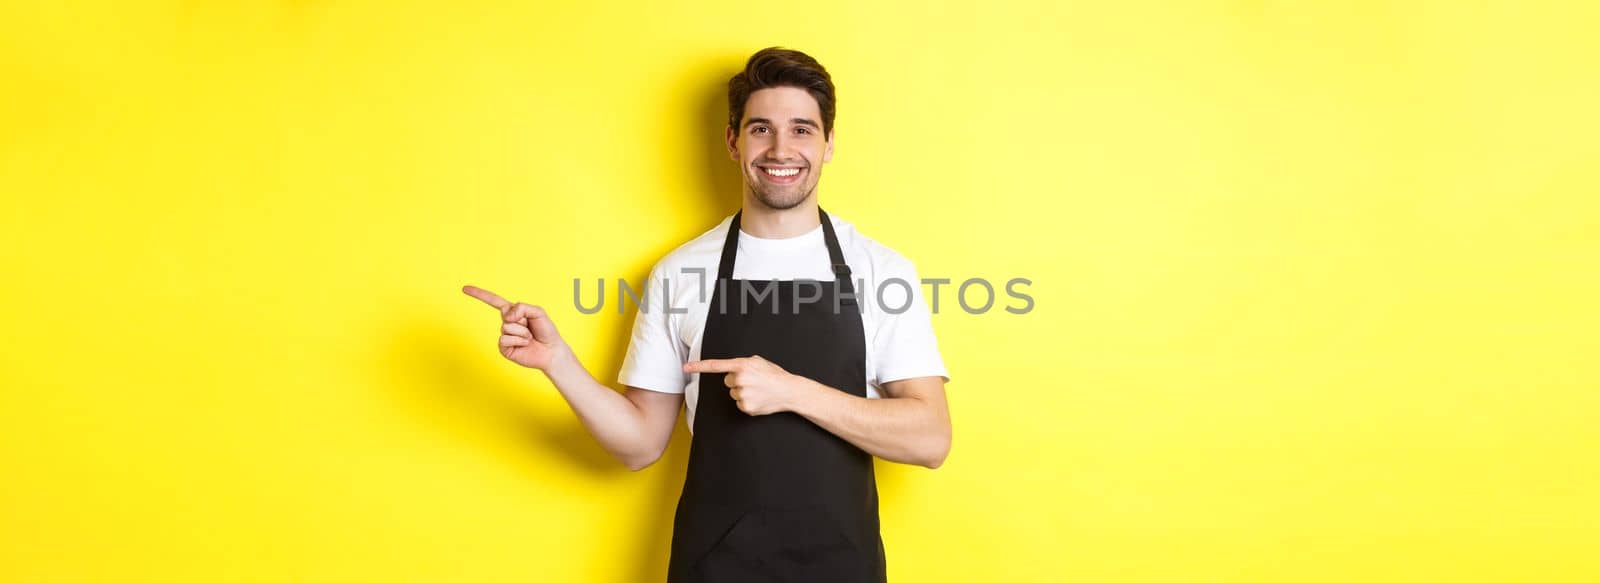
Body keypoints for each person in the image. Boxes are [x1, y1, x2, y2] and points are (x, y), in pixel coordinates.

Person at [462, 46, 950, 583]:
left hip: (843, 565)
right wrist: (558, 362)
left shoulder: (880, 269)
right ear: (732, 141)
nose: (781, 148)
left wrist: (791, 391)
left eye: (803, 130)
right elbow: (640, 444)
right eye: (760, 128)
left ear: (829, 143)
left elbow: (930, 439)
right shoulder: (679, 272)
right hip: (715, 567)